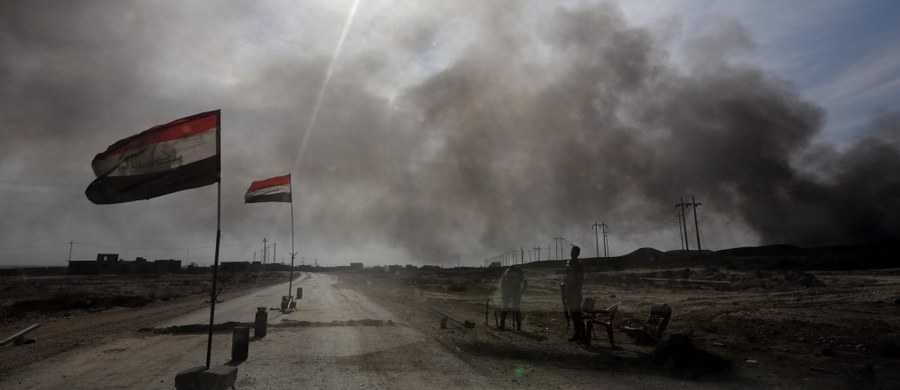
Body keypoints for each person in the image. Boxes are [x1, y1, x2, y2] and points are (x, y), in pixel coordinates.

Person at [561, 245, 585, 341]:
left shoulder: (578, 265)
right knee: (574, 314)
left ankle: (580, 335)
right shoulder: (569, 263)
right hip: (569, 292)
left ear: (578, 254)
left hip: (575, 293)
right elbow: (566, 277)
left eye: (574, 252)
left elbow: (580, 281)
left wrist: (575, 291)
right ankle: (579, 334)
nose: (572, 253)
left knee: (577, 315)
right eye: (571, 251)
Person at [500, 265, 528, 330]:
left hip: (513, 292)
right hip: (512, 292)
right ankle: (518, 327)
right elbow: (525, 282)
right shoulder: (517, 273)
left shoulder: (508, 273)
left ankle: (502, 325)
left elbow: (502, 283)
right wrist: (522, 291)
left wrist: (521, 291)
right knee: (514, 308)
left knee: (507, 308)